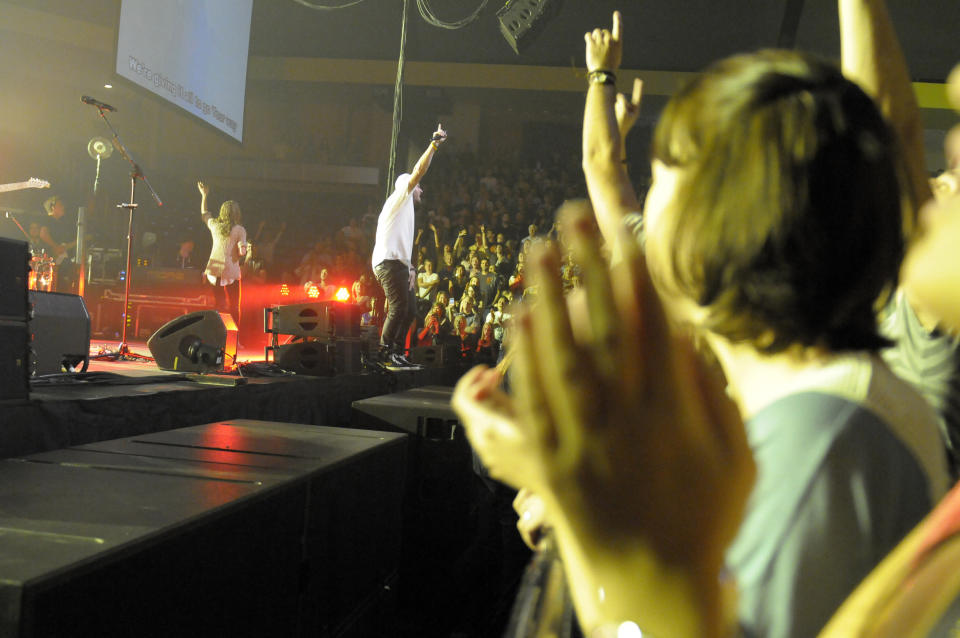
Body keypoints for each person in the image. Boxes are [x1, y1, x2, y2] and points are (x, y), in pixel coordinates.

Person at [453, 10, 950, 638]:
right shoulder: (801, 411)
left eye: (661, 177)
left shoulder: (823, 444)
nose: (641, 210)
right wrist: (582, 508)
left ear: (730, 217)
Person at [371, 123, 447, 369]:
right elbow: (417, 172)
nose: (421, 190)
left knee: (411, 310)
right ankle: (384, 352)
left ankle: (396, 352)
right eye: (418, 187)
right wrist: (434, 145)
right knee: (398, 307)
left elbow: (399, 243)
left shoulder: (404, 212)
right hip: (388, 264)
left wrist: (411, 268)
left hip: (399, 264)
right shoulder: (400, 196)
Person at [198, 181, 247, 328]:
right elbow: (242, 252)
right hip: (231, 270)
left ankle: (217, 336)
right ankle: (233, 338)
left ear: (222, 212)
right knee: (234, 306)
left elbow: (204, 214)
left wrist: (204, 195)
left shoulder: (215, 226)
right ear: (237, 213)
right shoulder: (239, 229)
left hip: (214, 270)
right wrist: (243, 252)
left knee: (218, 305)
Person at [38, 195, 78, 292]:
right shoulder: (48, 219)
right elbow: (43, 234)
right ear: (53, 207)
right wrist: (55, 247)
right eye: (60, 205)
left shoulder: (63, 223)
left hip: (61, 259)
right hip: (50, 257)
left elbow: (64, 245)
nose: (63, 207)